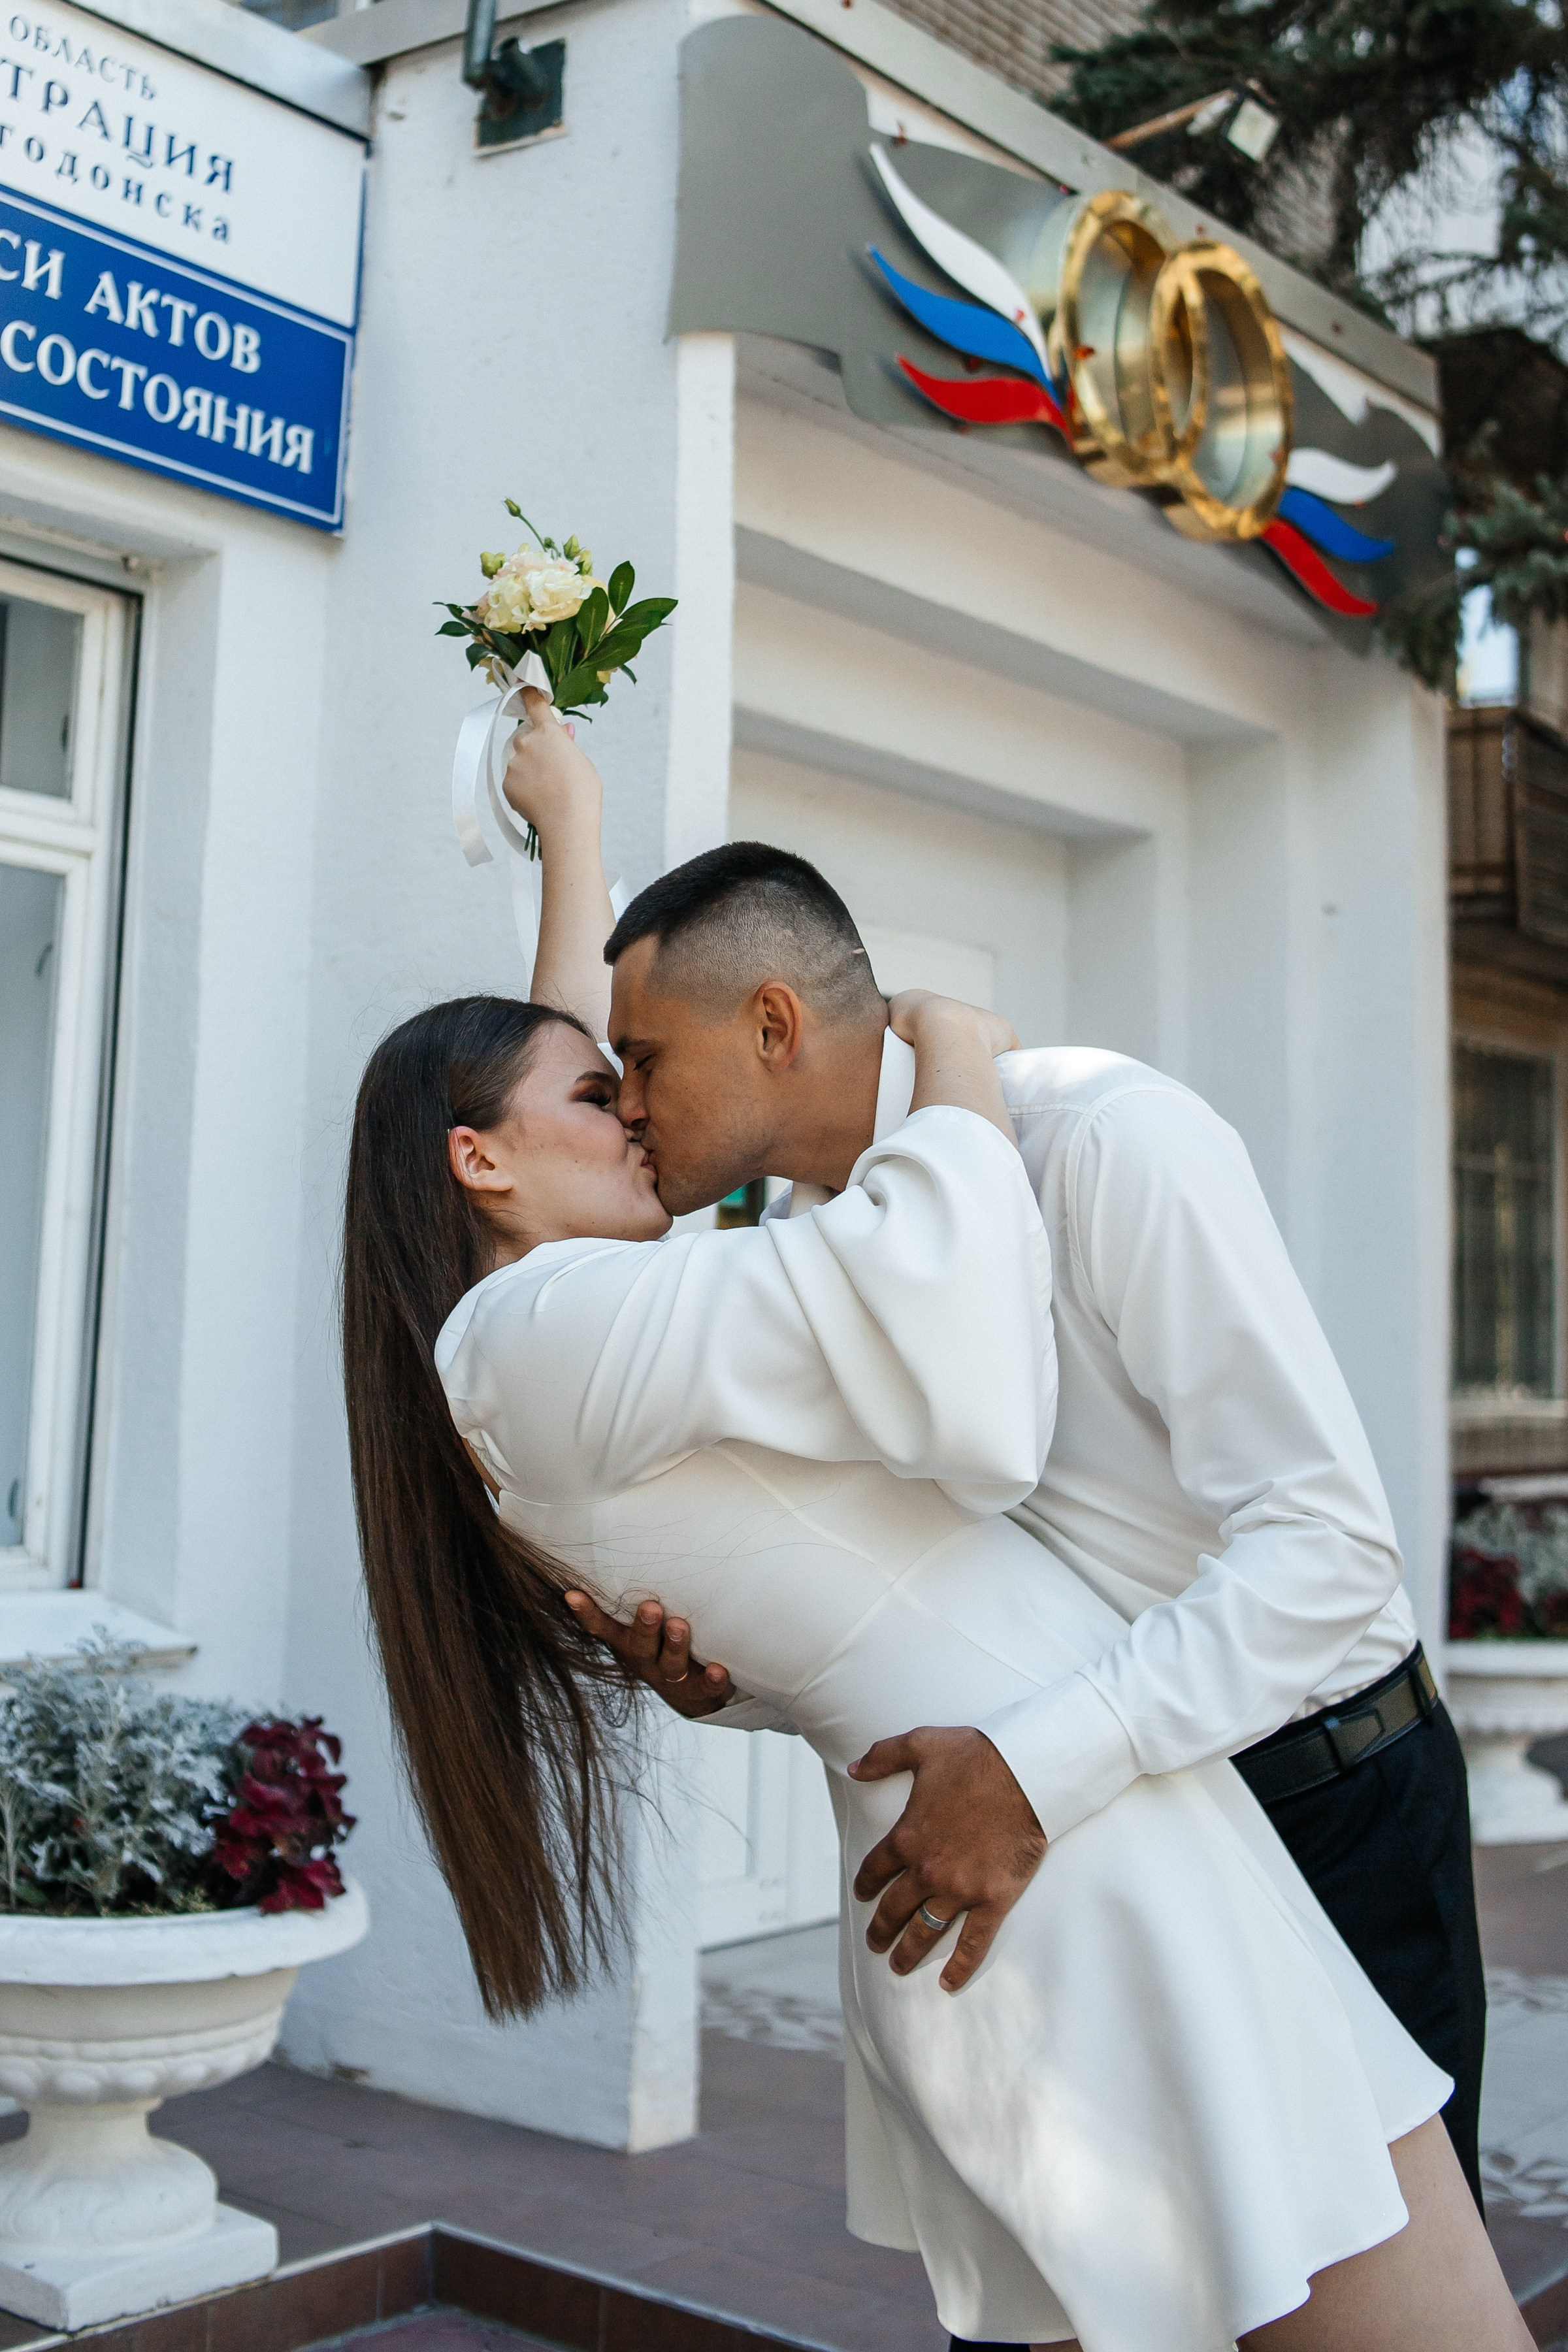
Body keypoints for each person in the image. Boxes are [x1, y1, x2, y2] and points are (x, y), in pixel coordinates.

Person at [339, 700, 1527, 2352]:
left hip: (1303, 1788)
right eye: (605, 1090)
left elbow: (1329, 1565)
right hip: (1042, 1856)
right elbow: (887, 1501)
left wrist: (1024, 1762)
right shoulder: (823, 1254)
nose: (631, 1114)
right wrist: (744, 1664)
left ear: (771, 1024)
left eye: (647, 1073)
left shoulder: (1102, 1144)